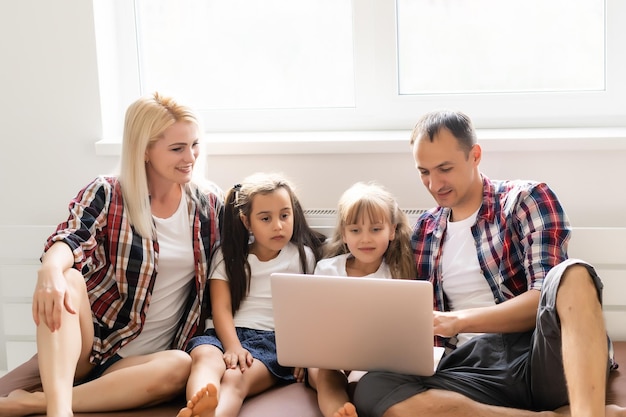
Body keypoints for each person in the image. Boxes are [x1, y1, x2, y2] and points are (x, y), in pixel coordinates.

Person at [353, 110, 626, 417]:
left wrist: (458, 321)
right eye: (424, 172)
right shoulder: (424, 232)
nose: (434, 183)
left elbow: (542, 298)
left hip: (539, 355)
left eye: (444, 168)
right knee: (373, 387)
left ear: (475, 155)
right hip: (469, 369)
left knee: (574, 275)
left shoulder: (526, 199)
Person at [0, 92, 223, 417]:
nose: (190, 157)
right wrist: (48, 271)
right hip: (88, 347)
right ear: (144, 150)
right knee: (67, 275)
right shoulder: (108, 192)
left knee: (180, 364)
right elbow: (72, 237)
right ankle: (59, 411)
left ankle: (36, 402)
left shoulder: (208, 205)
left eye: (195, 144)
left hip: (144, 364)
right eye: (177, 148)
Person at [176, 173, 326, 417]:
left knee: (236, 378)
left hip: (272, 341)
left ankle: (214, 414)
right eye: (266, 218)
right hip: (225, 334)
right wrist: (233, 346)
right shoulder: (227, 257)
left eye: (284, 215)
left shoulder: (302, 256)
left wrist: (302, 353)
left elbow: (307, 311)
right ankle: (200, 402)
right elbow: (220, 309)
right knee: (204, 357)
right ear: (247, 222)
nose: (278, 225)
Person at [308, 181, 417, 417]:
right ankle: (338, 412)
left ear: (392, 230)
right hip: (331, 354)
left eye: (375, 229)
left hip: (374, 360)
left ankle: (356, 404)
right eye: (356, 230)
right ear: (344, 235)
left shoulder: (396, 274)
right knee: (325, 374)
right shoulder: (327, 269)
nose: (365, 239)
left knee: (365, 381)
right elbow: (314, 320)